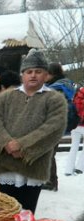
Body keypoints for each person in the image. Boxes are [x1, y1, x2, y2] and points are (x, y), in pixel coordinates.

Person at [0, 49, 66, 214]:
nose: (33, 75)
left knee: (26, 217)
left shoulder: (54, 99)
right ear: (22, 74)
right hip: (6, 165)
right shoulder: (6, 97)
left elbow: (53, 128)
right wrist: (6, 143)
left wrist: (22, 146)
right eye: (29, 71)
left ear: (46, 75)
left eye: (38, 71)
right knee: (2, 215)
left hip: (33, 166)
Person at [44, 62, 77, 190]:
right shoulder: (66, 84)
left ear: (52, 74)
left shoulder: (56, 88)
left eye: (46, 74)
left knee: (49, 153)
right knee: (50, 153)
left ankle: (51, 182)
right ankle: (51, 180)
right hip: (61, 125)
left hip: (54, 126)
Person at [67, 86, 84, 176]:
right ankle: (79, 168)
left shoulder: (77, 94)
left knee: (73, 147)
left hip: (76, 124)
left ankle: (69, 169)